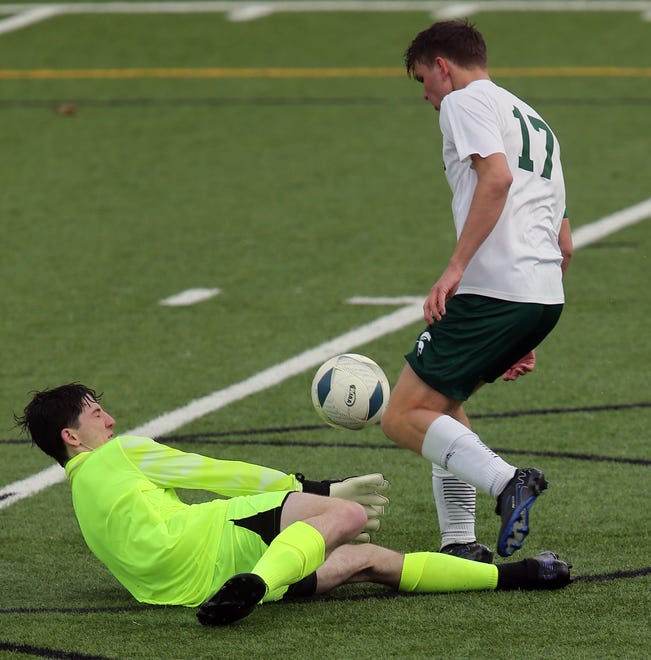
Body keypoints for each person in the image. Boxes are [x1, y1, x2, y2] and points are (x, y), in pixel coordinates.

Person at [16, 383, 571, 627]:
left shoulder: (80, 496)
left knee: (367, 559)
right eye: (94, 414)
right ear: (72, 436)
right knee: (349, 518)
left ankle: (521, 574)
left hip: (175, 592)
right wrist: (313, 486)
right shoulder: (120, 455)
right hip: (205, 546)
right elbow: (218, 475)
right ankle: (256, 588)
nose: (109, 420)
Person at [380, 20, 574, 563]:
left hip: (495, 291)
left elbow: (496, 180)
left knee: (401, 416)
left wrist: (455, 268)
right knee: (441, 409)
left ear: (444, 66)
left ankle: (509, 481)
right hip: (539, 296)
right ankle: (460, 542)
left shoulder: (464, 103)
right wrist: (526, 320)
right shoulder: (535, 121)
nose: (425, 95)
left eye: (424, 79)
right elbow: (564, 240)